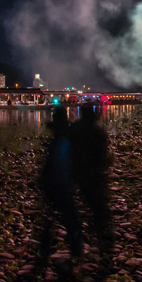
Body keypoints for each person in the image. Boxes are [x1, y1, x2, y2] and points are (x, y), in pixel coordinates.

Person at [36, 108, 83, 265]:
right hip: (61, 184)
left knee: (51, 219)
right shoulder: (66, 137)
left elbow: (52, 161)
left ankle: (44, 251)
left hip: (54, 183)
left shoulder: (58, 137)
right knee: (69, 218)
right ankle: (75, 249)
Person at [71, 105, 113, 257]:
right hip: (94, 173)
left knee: (76, 205)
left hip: (79, 172)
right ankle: (102, 235)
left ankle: (78, 239)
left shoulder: (75, 129)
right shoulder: (98, 132)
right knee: (98, 205)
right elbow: (103, 153)